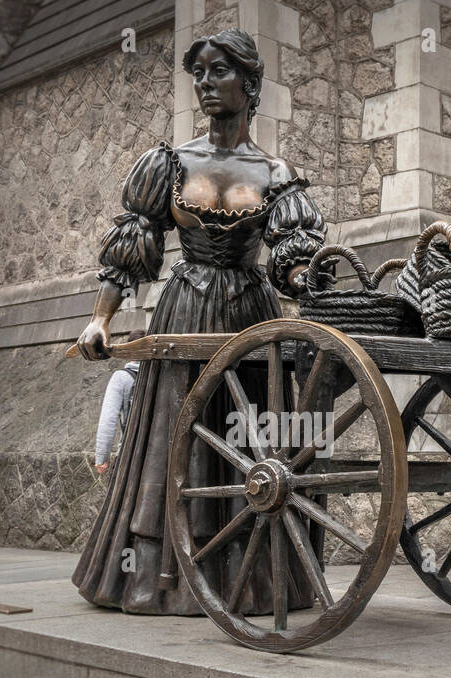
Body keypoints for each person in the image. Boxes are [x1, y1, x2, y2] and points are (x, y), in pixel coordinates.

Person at [72, 28, 327, 615]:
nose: (207, 84)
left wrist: (299, 278)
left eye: (220, 72)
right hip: (184, 308)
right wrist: (100, 321)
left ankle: (248, 578)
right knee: (173, 436)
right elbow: (130, 247)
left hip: (249, 321)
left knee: (249, 440)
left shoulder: (274, 172)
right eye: (200, 73)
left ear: (251, 83)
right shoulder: (169, 163)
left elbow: (293, 257)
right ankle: (158, 578)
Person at [95, 362, 140, 474]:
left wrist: (102, 458)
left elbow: (108, 419)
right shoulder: (173, 372)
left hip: (131, 455)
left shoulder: (122, 378)